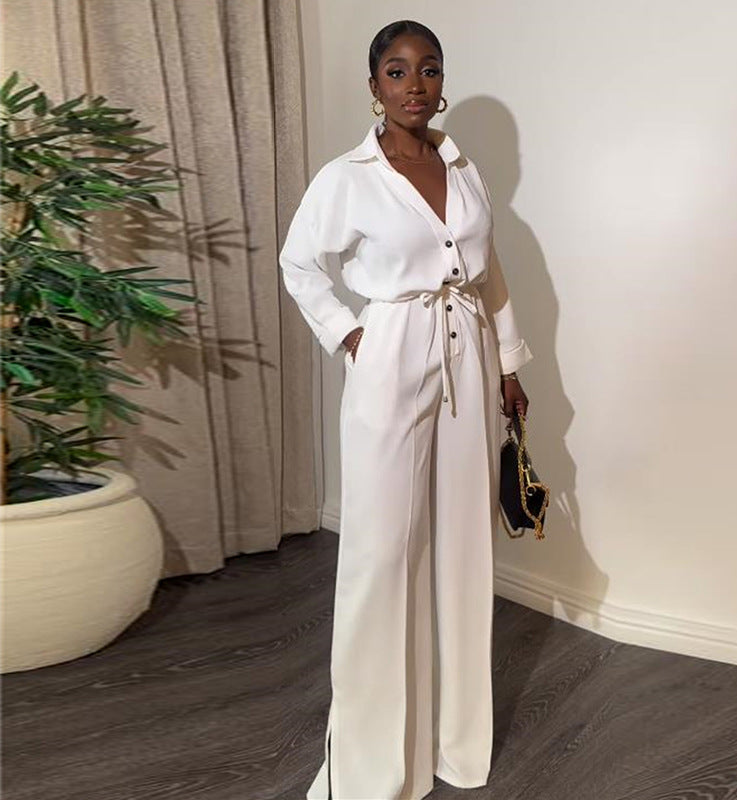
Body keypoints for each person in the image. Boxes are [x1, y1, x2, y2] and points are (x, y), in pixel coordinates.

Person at [279, 19, 532, 800]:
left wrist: (510, 362)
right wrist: (351, 333)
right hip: (391, 353)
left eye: (429, 69)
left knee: (463, 546)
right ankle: (371, 765)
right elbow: (298, 263)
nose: (414, 84)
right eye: (397, 70)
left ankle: (453, 744)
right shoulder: (347, 176)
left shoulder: (462, 166)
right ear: (374, 86)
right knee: (382, 553)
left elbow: (487, 271)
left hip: (470, 353)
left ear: (441, 81)